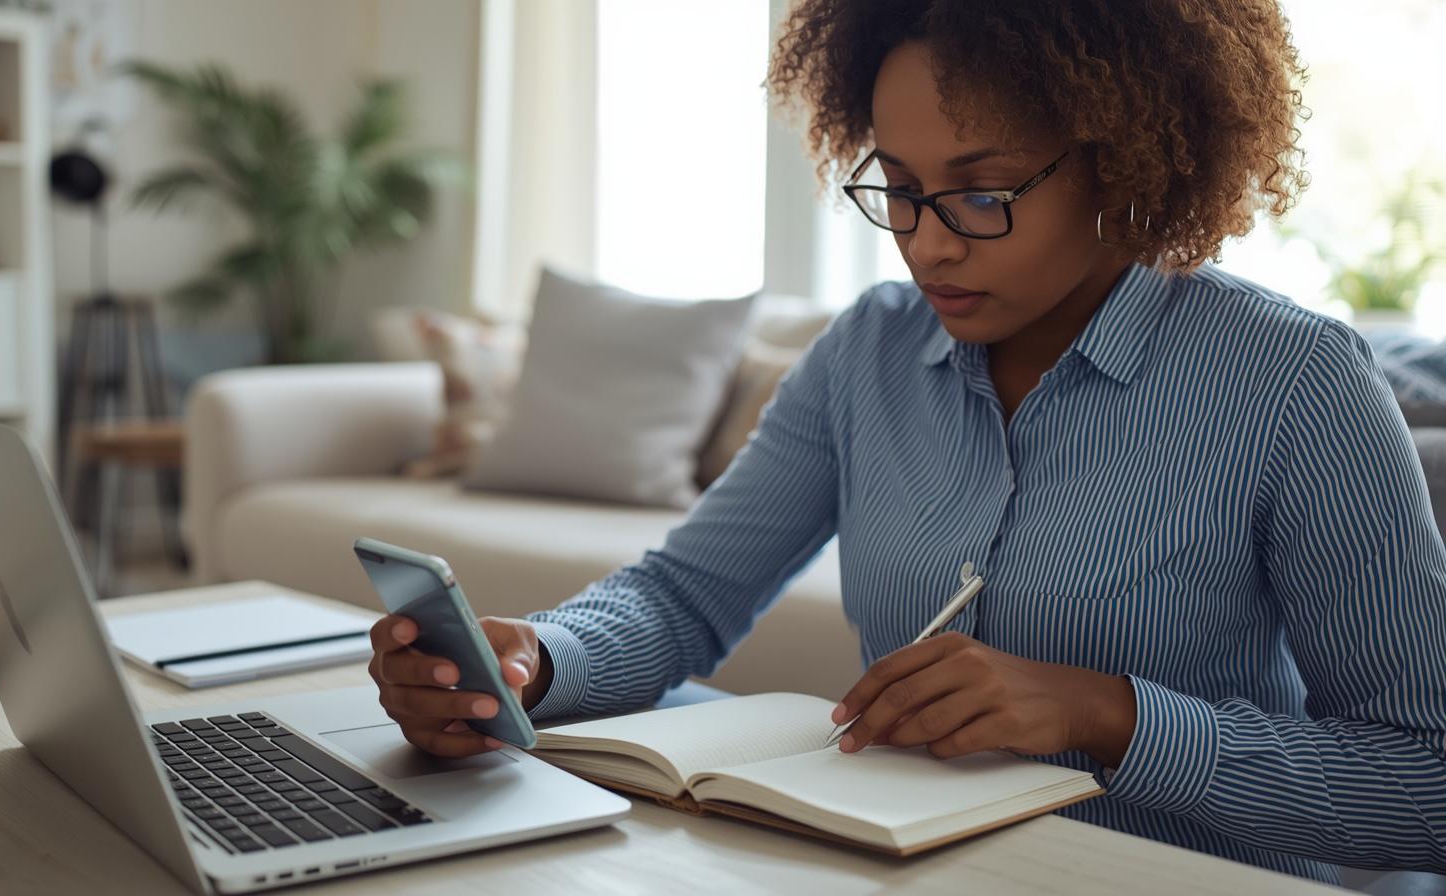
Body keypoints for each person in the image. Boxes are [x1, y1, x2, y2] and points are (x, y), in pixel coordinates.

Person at [368, 0, 1446, 881]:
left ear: (1122, 161)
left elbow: (1425, 781)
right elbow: (683, 594)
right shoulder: (869, 352)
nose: (926, 244)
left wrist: (1103, 709)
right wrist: (535, 660)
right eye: (901, 187)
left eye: (981, 192)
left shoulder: (1292, 383)